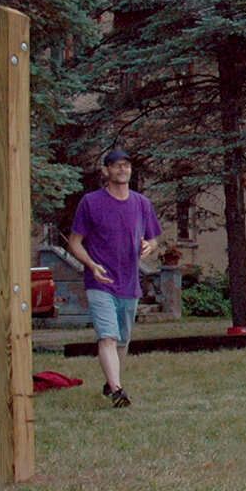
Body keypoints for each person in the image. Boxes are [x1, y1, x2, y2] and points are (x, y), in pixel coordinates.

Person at [67, 147, 165, 409]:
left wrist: (149, 247)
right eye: (117, 165)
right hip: (100, 281)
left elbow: (154, 239)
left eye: (126, 165)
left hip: (129, 282)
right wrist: (90, 264)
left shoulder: (142, 203)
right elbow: (74, 243)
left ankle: (111, 382)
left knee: (122, 340)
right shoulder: (91, 202)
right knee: (107, 337)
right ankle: (118, 391)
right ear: (105, 171)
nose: (123, 169)